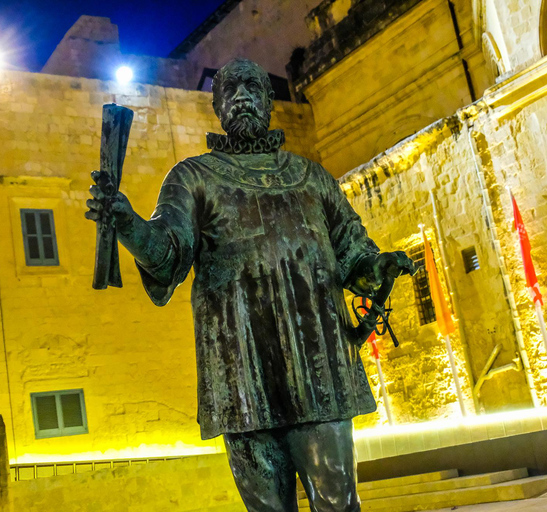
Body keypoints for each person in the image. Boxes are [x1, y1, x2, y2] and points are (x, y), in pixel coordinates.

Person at [86, 58, 415, 512]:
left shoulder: (312, 178)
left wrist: (377, 269)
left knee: (337, 501)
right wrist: (127, 223)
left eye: (252, 87)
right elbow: (168, 253)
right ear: (218, 106)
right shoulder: (193, 177)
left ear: (267, 101)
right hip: (240, 374)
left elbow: (354, 253)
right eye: (230, 89)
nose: (241, 95)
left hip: (318, 367)